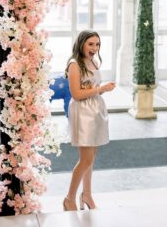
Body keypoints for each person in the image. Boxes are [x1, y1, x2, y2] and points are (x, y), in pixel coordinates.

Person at [63, 30, 115, 211]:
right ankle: (69, 199)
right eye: (91, 44)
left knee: (91, 158)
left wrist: (101, 90)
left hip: (94, 112)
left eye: (97, 44)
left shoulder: (92, 61)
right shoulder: (74, 65)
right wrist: (101, 89)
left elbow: (91, 87)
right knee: (85, 159)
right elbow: (77, 94)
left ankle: (87, 195)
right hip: (83, 113)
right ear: (81, 44)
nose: (95, 48)